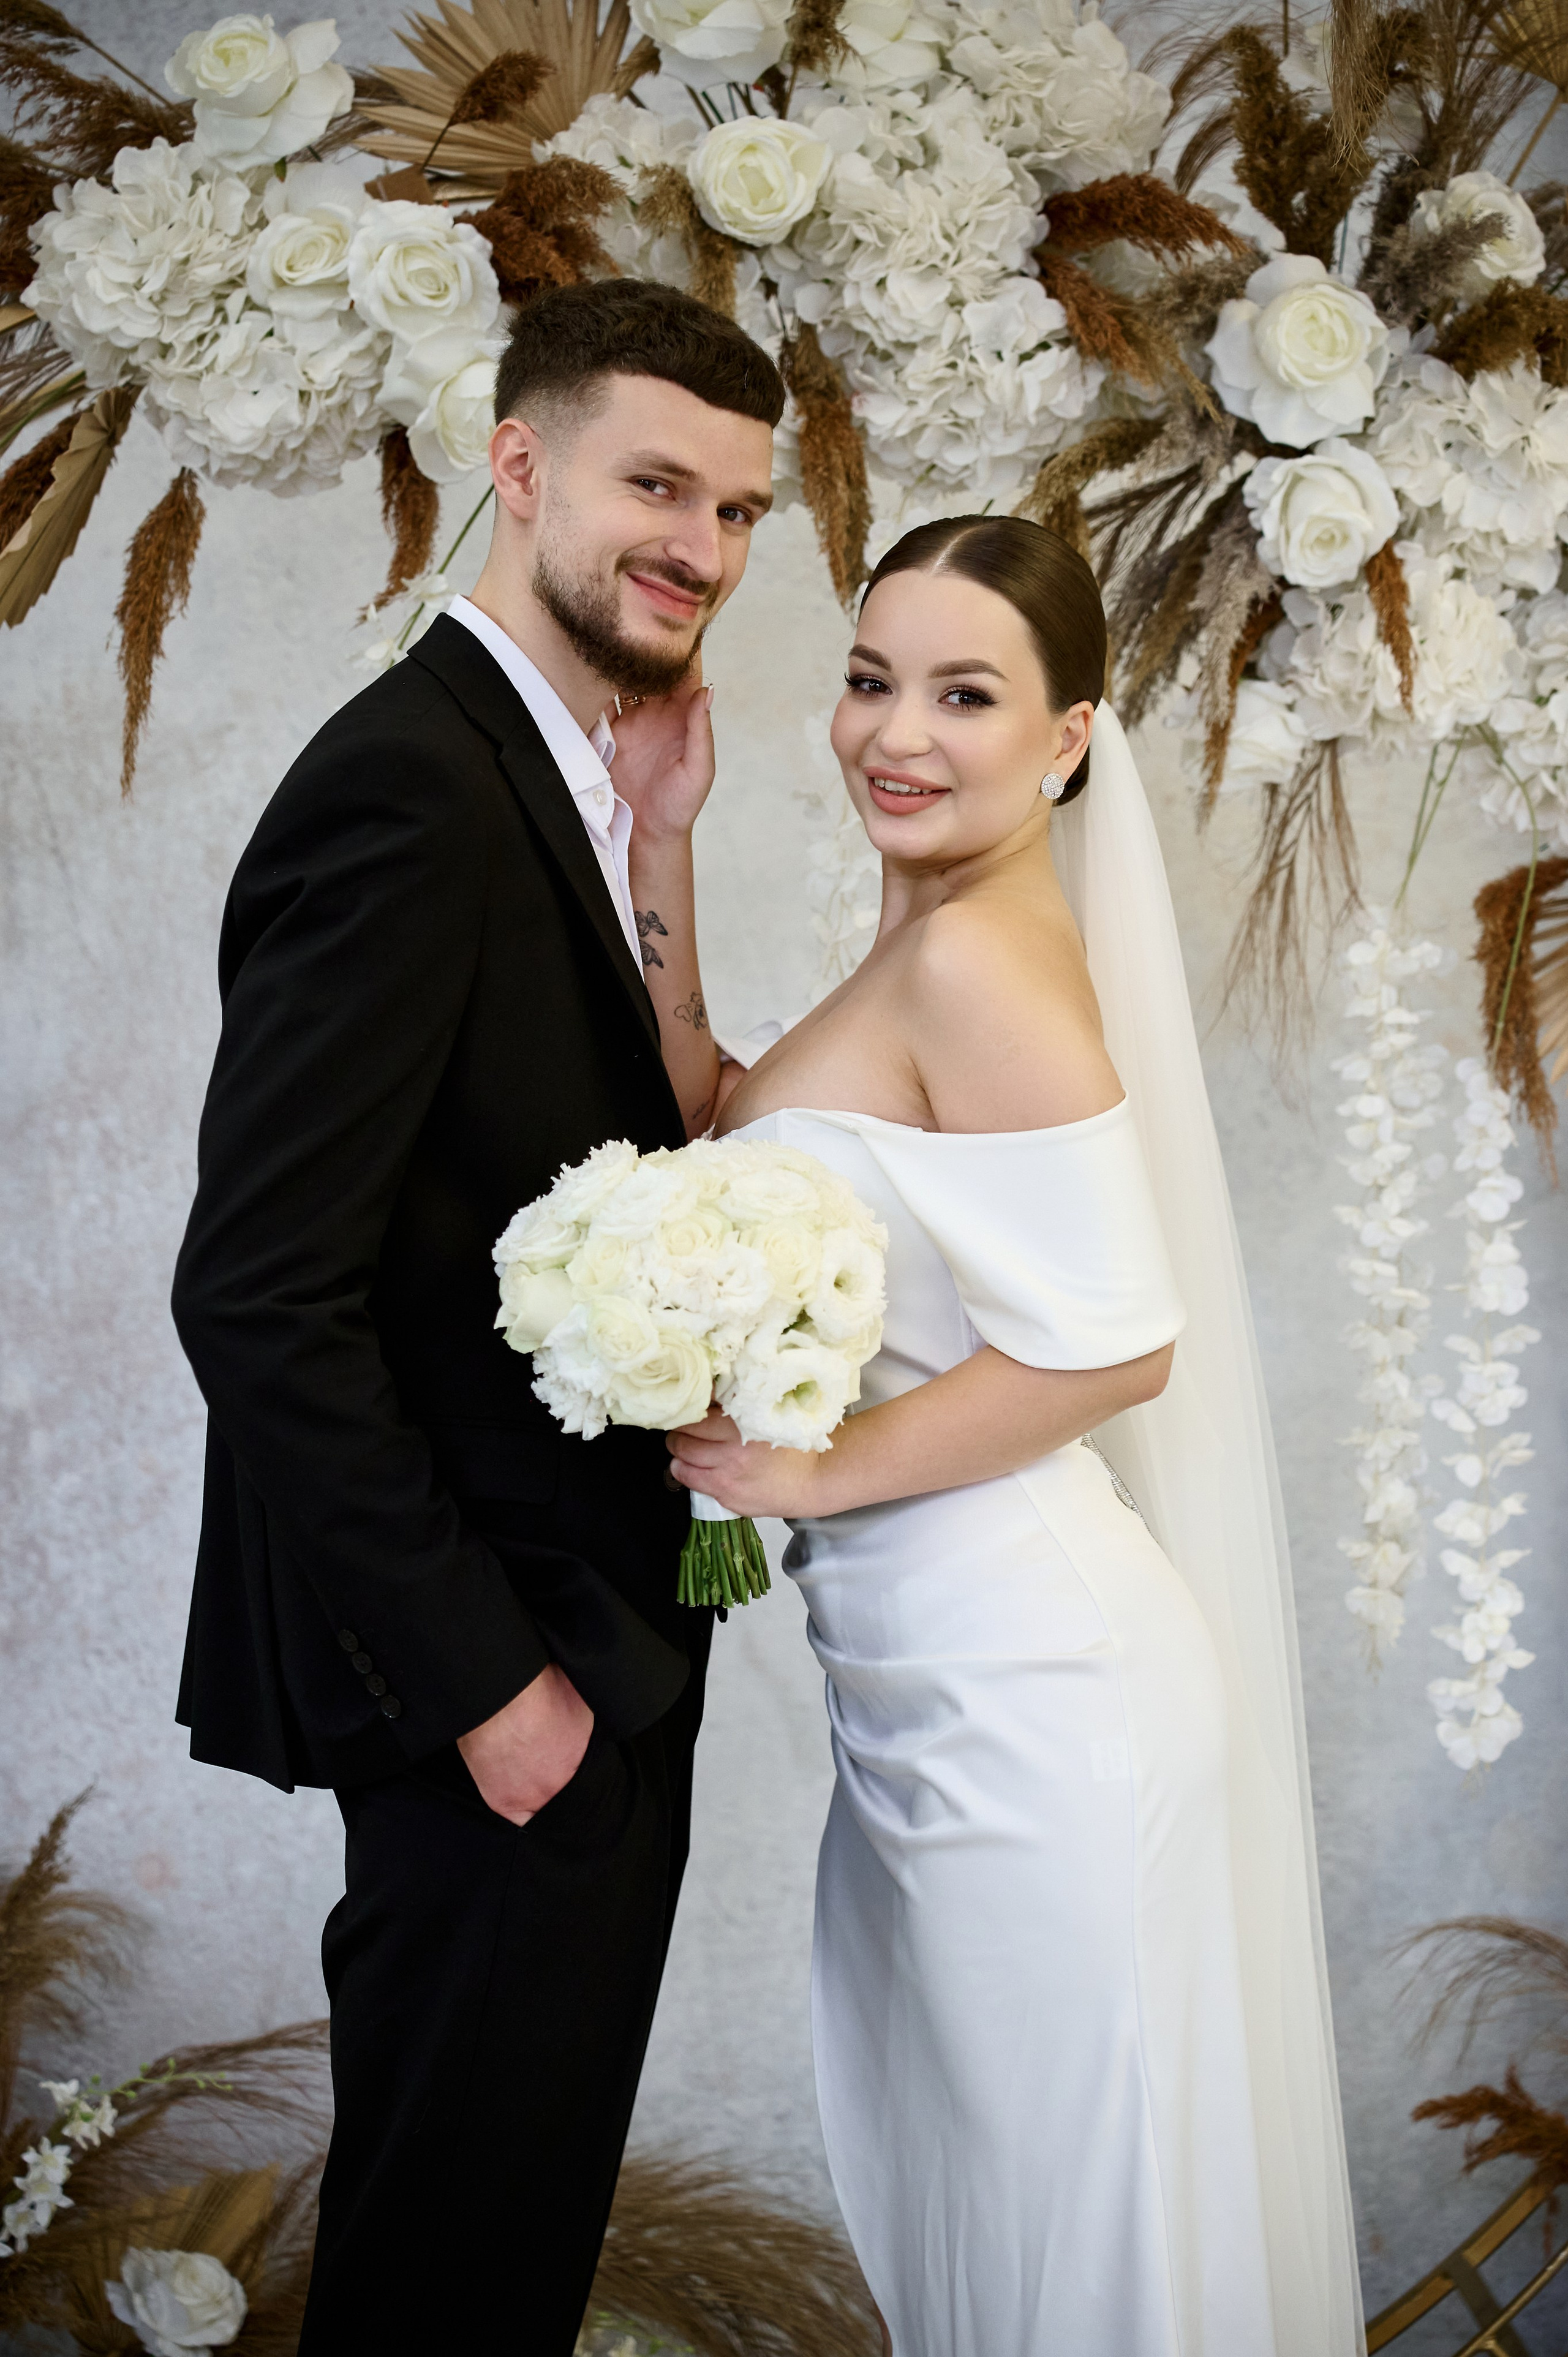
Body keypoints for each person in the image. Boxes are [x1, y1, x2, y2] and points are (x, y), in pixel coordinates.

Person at [668, 518, 1365, 2355]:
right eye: (871, 678)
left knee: (1081, 2233)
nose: (896, 733)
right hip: (930, 1687)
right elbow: (731, 1127)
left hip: (1037, 1698)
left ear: (1066, 738)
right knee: (987, 2213)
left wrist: (811, 1477)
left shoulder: (982, 961)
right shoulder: (922, 946)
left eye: (963, 695)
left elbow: (1115, 1348)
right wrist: (659, 842)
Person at [169, 277, 781, 2354]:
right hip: (498, 1683)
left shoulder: (566, 778)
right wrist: (493, 1697)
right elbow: (259, 1291)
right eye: (655, 483)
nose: (699, 543)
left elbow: (643, 1132)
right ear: (517, 466)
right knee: (449, 2280)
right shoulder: (413, 784)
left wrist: (665, 847)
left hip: (581, 1660)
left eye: (740, 510)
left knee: (490, 2268)